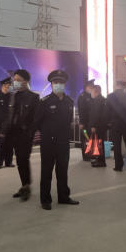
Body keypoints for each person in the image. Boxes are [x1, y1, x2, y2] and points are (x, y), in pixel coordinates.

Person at [34, 70, 79, 210]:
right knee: (46, 171)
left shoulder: (69, 101)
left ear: (65, 84)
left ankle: (64, 197)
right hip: (48, 142)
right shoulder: (44, 102)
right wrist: (48, 133)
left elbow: (69, 121)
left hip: (63, 142)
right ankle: (45, 200)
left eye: (61, 82)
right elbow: (37, 121)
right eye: (56, 82)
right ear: (51, 85)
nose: (58, 84)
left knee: (63, 170)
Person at [6, 69, 39, 201]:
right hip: (14, 133)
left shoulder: (33, 97)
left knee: (24, 158)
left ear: (26, 81)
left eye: (18, 80)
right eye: (14, 80)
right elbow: (10, 115)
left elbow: (35, 118)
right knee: (19, 160)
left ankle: (26, 186)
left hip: (26, 134)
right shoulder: (13, 96)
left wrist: (30, 133)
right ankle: (24, 184)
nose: (16, 82)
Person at [105, 80, 126, 172]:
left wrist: (109, 123)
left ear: (115, 85)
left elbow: (106, 112)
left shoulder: (110, 97)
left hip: (115, 124)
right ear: (124, 87)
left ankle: (118, 166)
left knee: (117, 146)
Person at [90, 84, 109, 167]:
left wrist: (94, 126)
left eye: (92, 91)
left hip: (99, 126)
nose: (91, 93)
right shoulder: (103, 99)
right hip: (102, 125)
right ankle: (99, 159)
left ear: (96, 91)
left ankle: (101, 161)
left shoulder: (97, 100)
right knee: (99, 143)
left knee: (99, 143)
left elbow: (97, 114)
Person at [77, 79, 95, 161]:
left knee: (91, 138)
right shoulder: (82, 97)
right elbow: (81, 111)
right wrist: (82, 122)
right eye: (91, 86)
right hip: (85, 122)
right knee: (85, 138)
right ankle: (86, 156)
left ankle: (91, 154)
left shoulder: (92, 96)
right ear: (86, 87)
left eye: (93, 86)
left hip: (91, 121)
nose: (92, 87)